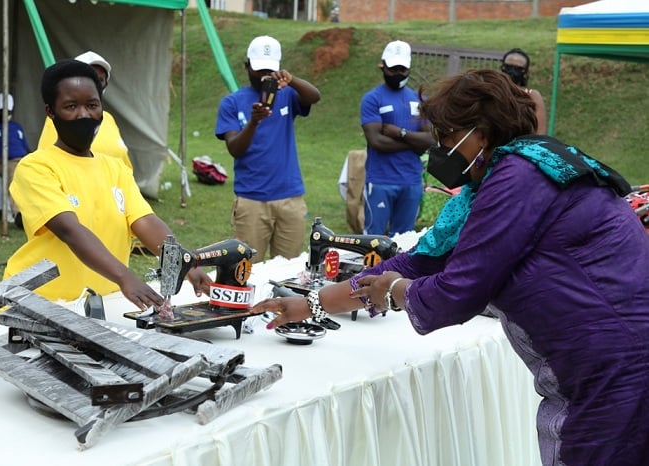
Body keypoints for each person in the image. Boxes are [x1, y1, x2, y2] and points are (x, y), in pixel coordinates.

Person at [254, 69, 649, 465]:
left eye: (445, 135)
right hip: (609, 366)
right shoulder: (506, 178)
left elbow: (454, 293)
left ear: (482, 133)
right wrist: (309, 305)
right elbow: (415, 262)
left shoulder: (519, 177)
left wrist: (395, 291)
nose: (437, 149)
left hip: (615, 370)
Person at [4, 59, 211, 309]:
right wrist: (125, 276)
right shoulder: (35, 168)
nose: (84, 114)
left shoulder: (115, 168)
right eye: (71, 106)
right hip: (44, 304)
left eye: (92, 105)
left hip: (104, 303)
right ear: (51, 112)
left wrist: (182, 261)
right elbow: (71, 230)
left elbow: (144, 221)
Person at [215, 35, 321, 263]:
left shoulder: (288, 95)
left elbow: (314, 96)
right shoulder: (232, 102)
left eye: (269, 70)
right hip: (252, 200)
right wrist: (253, 122)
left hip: (290, 199)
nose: (264, 76)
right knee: (247, 270)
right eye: (258, 69)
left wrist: (291, 81)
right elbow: (235, 148)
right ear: (246, 67)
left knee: (288, 271)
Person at [360, 40, 433, 236]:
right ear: (382, 65)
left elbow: (431, 141)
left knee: (404, 240)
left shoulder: (419, 100)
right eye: (393, 69)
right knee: (373, 239)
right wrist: (414, 142)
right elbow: (376, 141)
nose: (398, 74)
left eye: (403, 69)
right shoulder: (372, 99)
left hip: (411, 181)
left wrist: (400, 133)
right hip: (380, 180)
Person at [37, 50, 132, 169]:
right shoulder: (62, 119)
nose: (92, 85)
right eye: (71, 106)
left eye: (99, 80)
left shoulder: (108, 119)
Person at [501, 48, 547, 135]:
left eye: (518, 68)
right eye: (508, 67)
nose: (512, 71)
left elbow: (540, 132)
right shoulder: (492, 90)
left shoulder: (531, 95)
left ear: (525, 71)